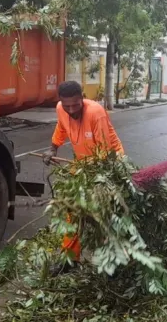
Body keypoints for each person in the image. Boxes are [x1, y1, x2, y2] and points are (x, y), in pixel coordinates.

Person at [43, 80, 124, 272]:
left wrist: (89, 177)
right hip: (82, 165)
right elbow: (61, 128)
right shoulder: (61, 109)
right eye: (66, 105)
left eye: (75, 104)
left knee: (104, 214)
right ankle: (69, 259)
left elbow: (104, 153)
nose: (71, 110)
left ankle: (111, 261)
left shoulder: (96, 113)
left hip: (109, 165)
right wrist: (52, 148)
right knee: (72, 211)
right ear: (61, 102)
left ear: (83, 98)